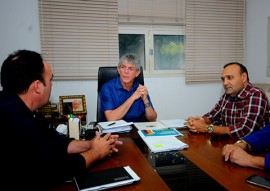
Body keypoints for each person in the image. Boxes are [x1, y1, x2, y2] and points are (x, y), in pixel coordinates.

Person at [0, 50, 123, 190]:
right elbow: (54, 169)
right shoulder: (14, 120)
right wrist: (96, 153)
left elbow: (54, 141)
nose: (51, 85)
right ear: (37, 86)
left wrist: (91, 144)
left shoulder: (19, 108)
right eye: (50, 79)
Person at [186, 62, 270, 138]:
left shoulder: (255, 94)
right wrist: (197, 122)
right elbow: (212, 116)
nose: (225, 83)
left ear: (243, 77)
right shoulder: (228, 95)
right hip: (229, 143)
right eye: (223, 79)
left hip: (253, 149)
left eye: (229, 77)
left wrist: (206, 128)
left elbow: (244, 130)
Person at [100, 53, 157, 122]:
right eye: (123, 67)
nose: (126, 72)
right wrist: (133, 97)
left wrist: (145, 100)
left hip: (136, 129)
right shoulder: (107, 88)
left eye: (131, 68)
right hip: (114, 130)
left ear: (137, 73)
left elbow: (152, 119)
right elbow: (111, 118)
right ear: (118, 70)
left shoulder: (139, 88)